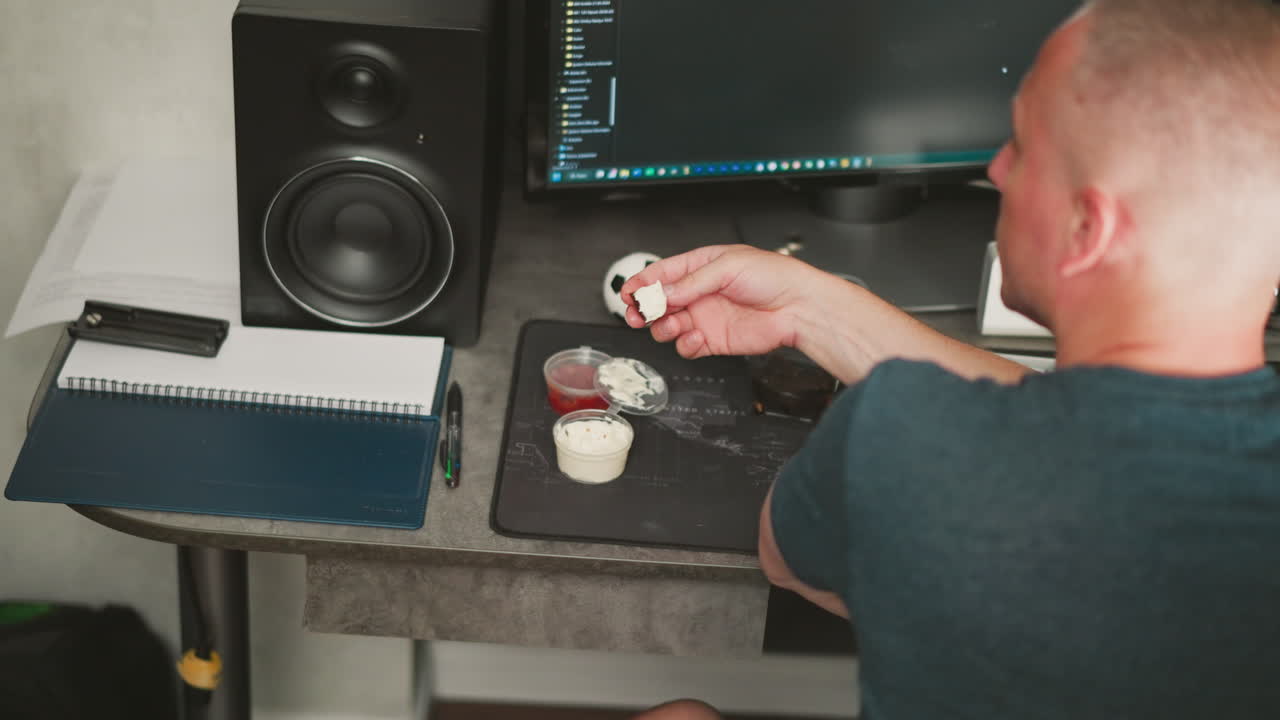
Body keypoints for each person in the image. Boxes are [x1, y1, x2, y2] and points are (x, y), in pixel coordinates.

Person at [622, 0, 1280, 717]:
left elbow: (784, 558)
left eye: (1023, 144)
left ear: (1088, 227)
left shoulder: (904, 436)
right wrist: (808, 309)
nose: (997, 170)